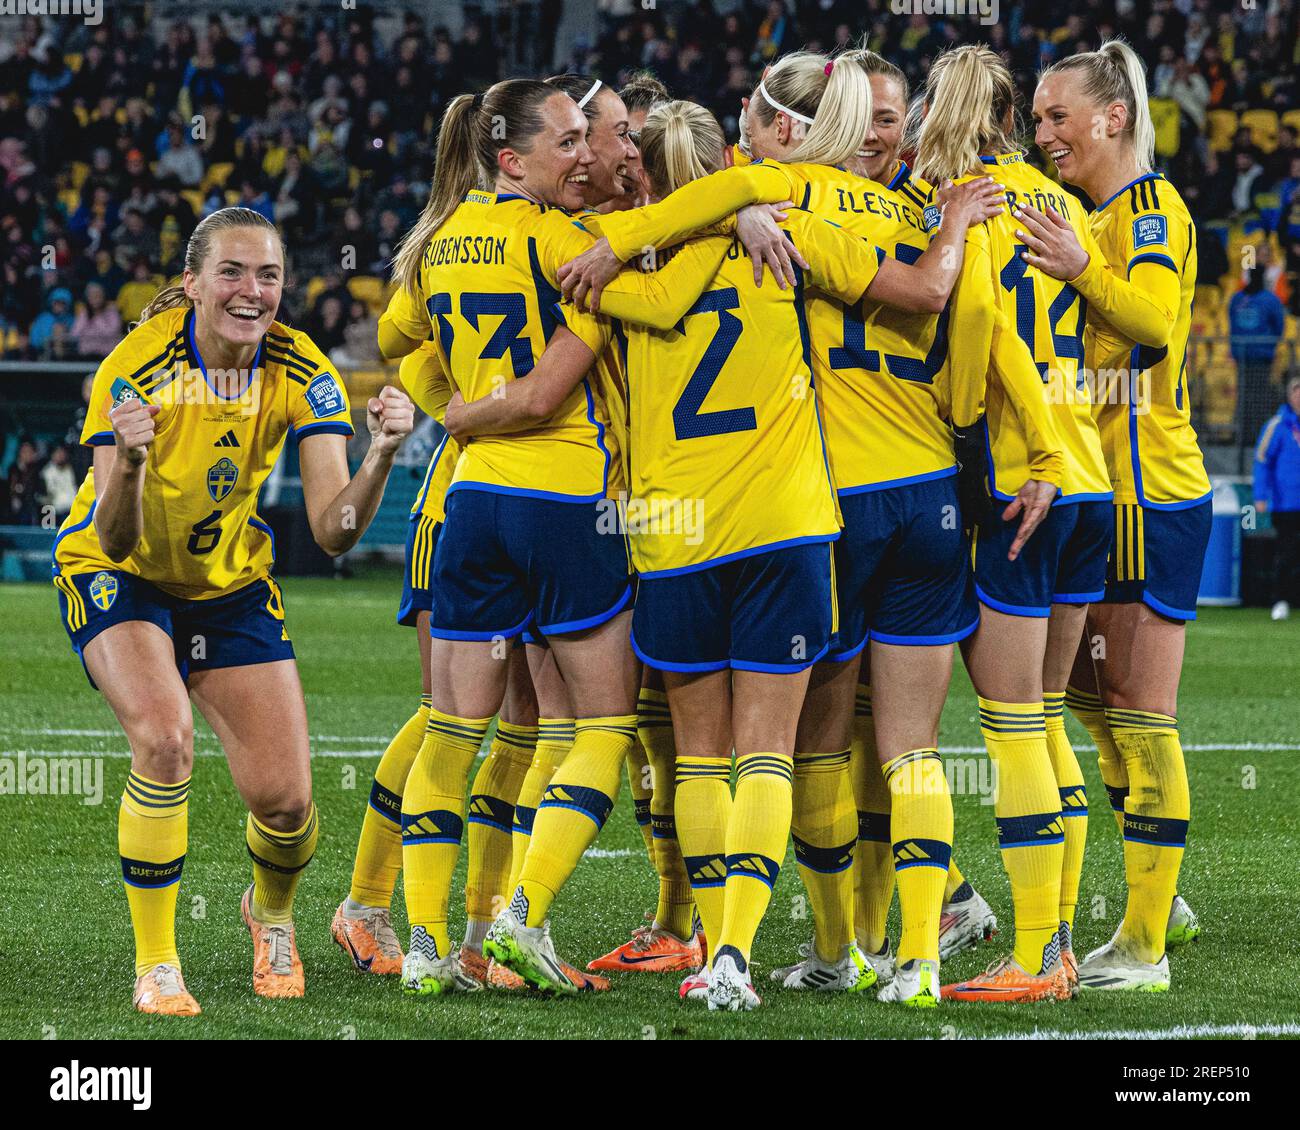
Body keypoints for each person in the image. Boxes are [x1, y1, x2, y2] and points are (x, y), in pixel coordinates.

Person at [377, 79, 737, 997]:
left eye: (591, 138)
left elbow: (396, 336)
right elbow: (543, 395)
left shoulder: (443, 236)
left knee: (454, 731)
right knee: (605, 724)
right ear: (512, 156)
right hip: (568, 503)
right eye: (570, 139)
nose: (585, 154)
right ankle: (520, 920)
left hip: (473, 508)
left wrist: (451, 407)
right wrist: (745, 196)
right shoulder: (570, 243)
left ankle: (424, 944)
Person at [51, 206, 414, 1016]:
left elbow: (332, 533)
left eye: (269, 276)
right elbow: (113, 534)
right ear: (192, 284)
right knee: (165, 738)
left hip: (229, 585)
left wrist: (383, 455)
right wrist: (135, 462)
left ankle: (271, 917)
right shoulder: (133, 368)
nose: (252, 292)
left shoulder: (301, 369)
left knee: (287, 805)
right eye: (232, 273)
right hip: (120, 573)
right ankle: (158, 965)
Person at [911, 43, 1115, 1005]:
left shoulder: (970, 206)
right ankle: (1058, 939)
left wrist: (953, 414)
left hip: (1016, 478)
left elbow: (982, 326)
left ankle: (1036, 955)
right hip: (1088, 478)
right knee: (1045, 723)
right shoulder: (1061, 205)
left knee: (1012, 723)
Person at [1018, 38, 1212, 991]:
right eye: (1039, 117)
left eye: (1060, 117)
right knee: (1093, 706)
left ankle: (1143, 947)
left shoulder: (1150, 209)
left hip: (1149, 489)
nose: (1044, 133)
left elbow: (1157, 322)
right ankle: (1157, 882)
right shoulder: (1088, 214)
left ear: (1114, 118)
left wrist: (1076, 267)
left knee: (1140, 714)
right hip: (1102, 488)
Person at [1254, 376, 1300, 620]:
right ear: (1289, 396)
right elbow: (1262, 461)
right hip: (1287, 502)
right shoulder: (1278, 425)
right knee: (1286, 553)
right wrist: (1260, 495)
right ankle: (1280, 600)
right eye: (1296, 392)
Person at [1230, 267, 1287, 461]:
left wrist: (1267, 345)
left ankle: (1257, 439)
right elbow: (1232, 324)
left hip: (1261, 358)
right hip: (1242, 357)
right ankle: (1245, 436)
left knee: (1258, 398)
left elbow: (1279, 326)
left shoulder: (1270, 300)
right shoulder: (1236, 299)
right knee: (1244, 397)